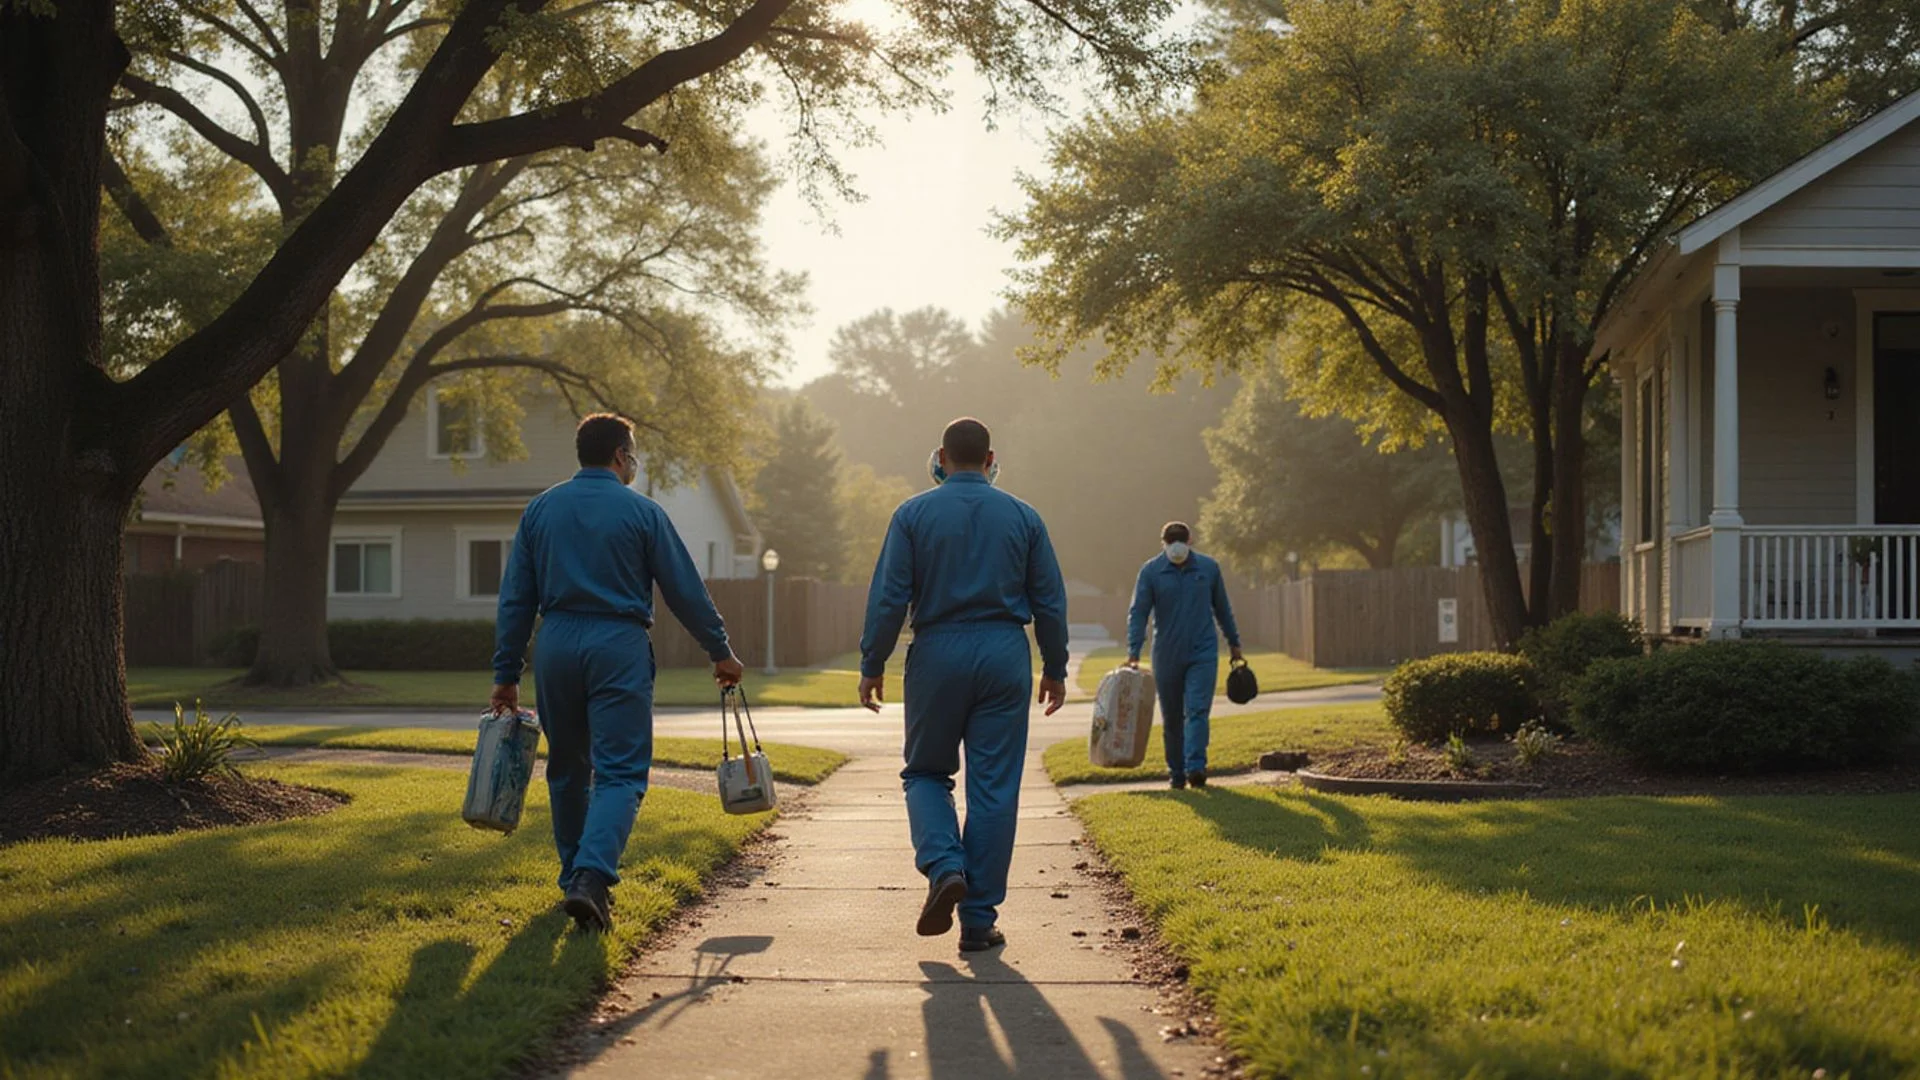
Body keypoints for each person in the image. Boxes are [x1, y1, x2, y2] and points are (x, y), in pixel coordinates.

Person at [492, 413, 745, 932]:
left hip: (557, 641)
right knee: (621, 770)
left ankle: (574, 882)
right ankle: (591, 875)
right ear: (620, 456)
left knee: (566, 767)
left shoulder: (541, 510)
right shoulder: (642, 513)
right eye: (633, 454)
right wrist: (719, 649)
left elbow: (516, 597)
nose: (635, 463)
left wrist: (506, 671)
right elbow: (684, 589)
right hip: (618, 642)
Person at [858, 417, 1070, 953]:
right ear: (991, 458)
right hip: (1004, 652)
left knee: (926, 772)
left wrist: (872, 662)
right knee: (994, 788)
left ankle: (945, 866)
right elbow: (1049, 599)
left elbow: (890, 597)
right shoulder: (1025, 516)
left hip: (937, 650)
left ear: (941, 458)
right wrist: (1056, 667)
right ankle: (978, 919)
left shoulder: (912, 515)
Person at [1125, 522, 1242, 790]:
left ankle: (1196, 768)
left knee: (1198, 709)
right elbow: (1139, 613)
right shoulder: (1151, 571)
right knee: (1172, 716)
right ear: (1163, 543)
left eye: (1180, 540)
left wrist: (1234, 642)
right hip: (1166, 653)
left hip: (1203, 651)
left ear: (1190, 540)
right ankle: (1176, 772)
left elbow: (1222, 608)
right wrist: (1133, 650)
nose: (1176, 545)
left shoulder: (1208, 568)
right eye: (1171, 541)